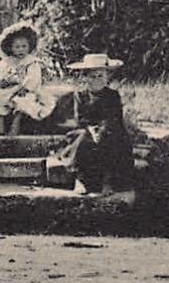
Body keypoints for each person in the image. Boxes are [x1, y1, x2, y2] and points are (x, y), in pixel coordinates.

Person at [51, 53, 135, 199]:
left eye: (100, 76)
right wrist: (92, 130)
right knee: (82, 140)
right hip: (86, 128)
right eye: (92, 76)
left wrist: (101, 130)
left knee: (110, 140)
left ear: (107, 77)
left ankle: (107, 181)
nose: (96, 80)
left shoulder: (112, 95)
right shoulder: (80, 95)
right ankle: (81, 179)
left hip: (109, 128)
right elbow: (80, 118)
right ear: (85, 77)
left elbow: (114, 118)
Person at [0, 21, 59, 135]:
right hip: (9, 89)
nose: (21, 50)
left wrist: (24, 87)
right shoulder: (6, 62)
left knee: (23, 101)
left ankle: (15, 125)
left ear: (29, 46)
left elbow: (33, 79)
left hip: (25, 90)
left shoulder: (31, 62)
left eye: (24, 46)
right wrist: (1, 84)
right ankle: (0, 127)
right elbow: (0, 77)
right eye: (17, 47)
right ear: (10, 48)